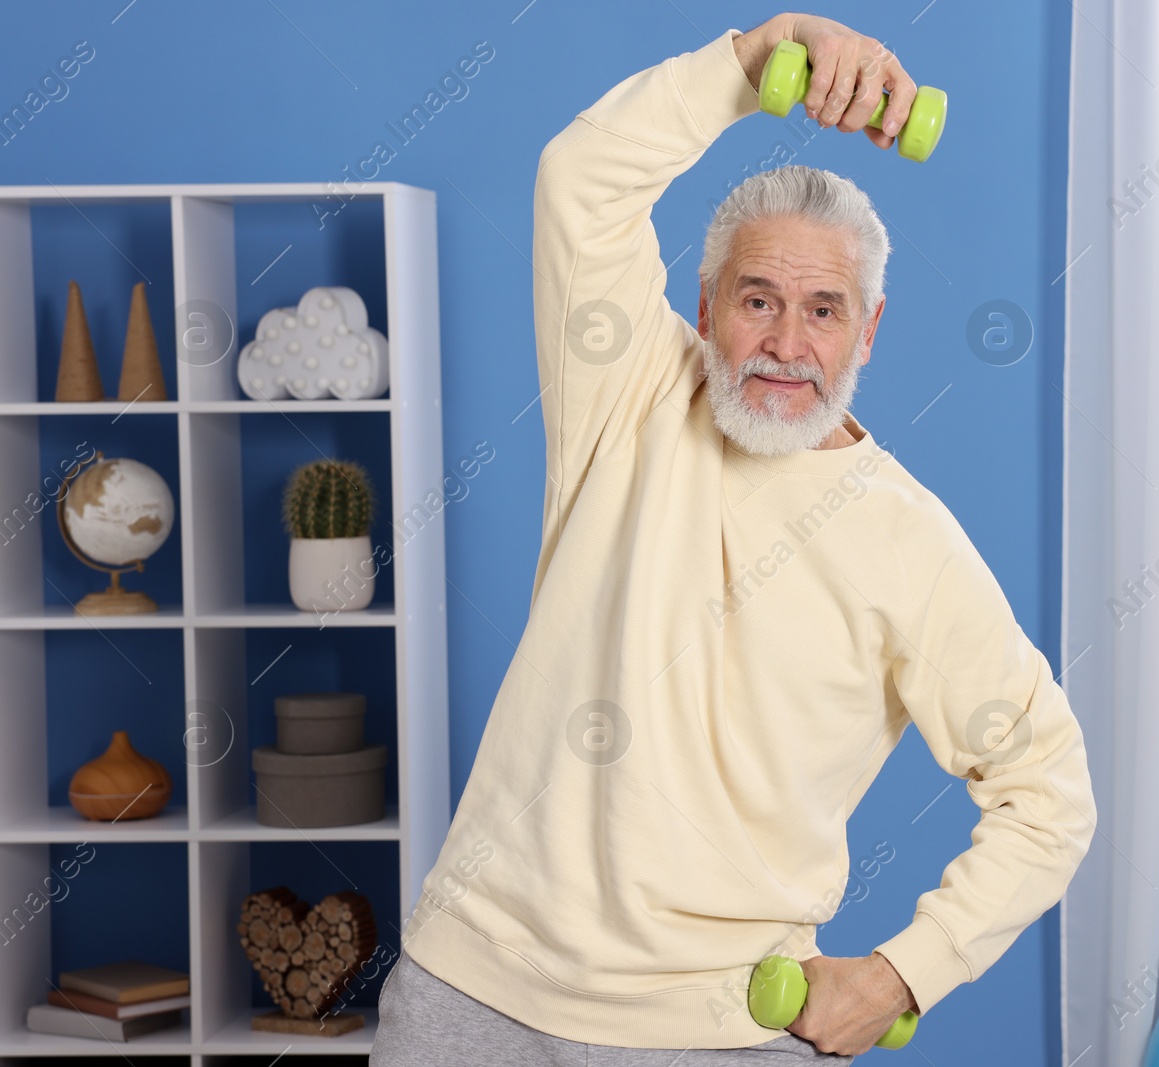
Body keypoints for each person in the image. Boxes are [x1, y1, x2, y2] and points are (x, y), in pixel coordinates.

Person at [370, 11, 1096, 1064]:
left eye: (824, 309)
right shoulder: (627, 393)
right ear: (706, 304)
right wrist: (757, 56)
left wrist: (904, 970)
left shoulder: (909, 541)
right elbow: (582, 178)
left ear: (870, 330)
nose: (786, 344)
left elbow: (1048, 788)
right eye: (757, 299)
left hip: (721, 1031)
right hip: (473, 993)